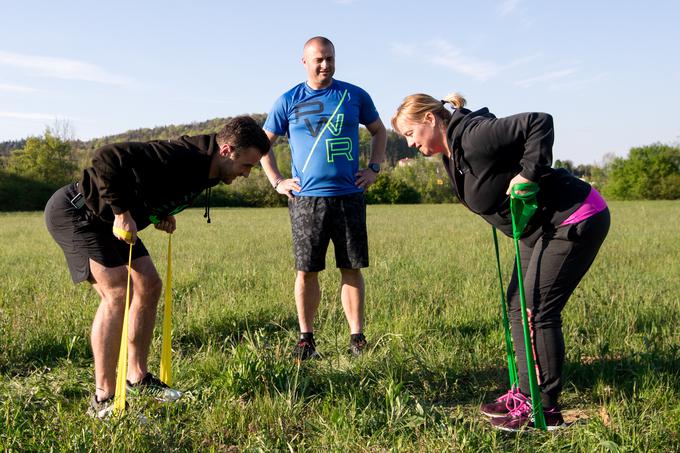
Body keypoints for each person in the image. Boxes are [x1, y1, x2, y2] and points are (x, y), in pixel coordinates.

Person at [392, 93, 610, 431]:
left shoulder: (473, 135)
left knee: (536, 310)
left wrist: (529, 175)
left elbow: (539, 121)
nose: (409, 143)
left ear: (431, 120)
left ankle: (545, 410)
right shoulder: (455, 147)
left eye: (410, 133)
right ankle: (526, 394)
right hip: (538, 227)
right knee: (518, 304)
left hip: (573, 217)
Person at [44, 116, 271, 418]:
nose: (247, 173)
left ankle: (136, 376)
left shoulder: (211, 169)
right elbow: (107, 157)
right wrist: (123, 213)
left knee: (149, 284)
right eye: (247, 165)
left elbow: (149, 186)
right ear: (228, 150)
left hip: (109, 220)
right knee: (116, 291)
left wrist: (158, 213)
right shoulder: (181, 157)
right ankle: (103, 399)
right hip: (79, 212)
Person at [260, 36, 387, 359]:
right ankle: (306, 339)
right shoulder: (289, 99)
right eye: (318, 59)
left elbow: (379, 131)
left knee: (351, 267)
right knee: (307, 271)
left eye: (330, 58)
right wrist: (276, 181)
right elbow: (263, 144)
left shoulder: (354, 95)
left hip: (349, 197)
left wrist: (373, 169)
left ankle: (357, 338)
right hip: (306, 200)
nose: (325, 65)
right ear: (304, 61)